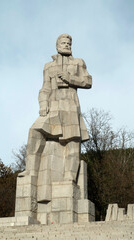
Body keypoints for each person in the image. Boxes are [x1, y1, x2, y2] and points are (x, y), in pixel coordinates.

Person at [19, 34, 92, 182]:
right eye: (63, 43)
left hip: (70, 105)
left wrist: (69, 78)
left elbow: (88, 82)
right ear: (57, 45)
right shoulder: (48, 66)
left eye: (69, 43)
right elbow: (44, 88)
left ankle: (69, 178)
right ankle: (31, 171)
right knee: (35, 131)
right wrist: (43, 103)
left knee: (72, 142)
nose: (66, 45)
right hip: (52, 106)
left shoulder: (78, 62)